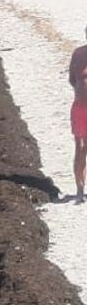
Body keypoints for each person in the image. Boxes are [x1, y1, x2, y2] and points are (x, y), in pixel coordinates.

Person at [70, 28, 87, 204]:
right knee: (80, 147)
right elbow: (72, 79)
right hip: (80, 107)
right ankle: (80, 188)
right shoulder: (78, 54)